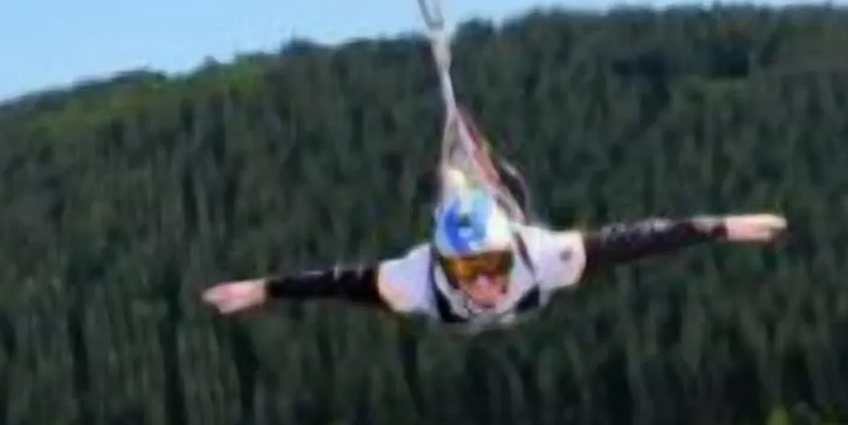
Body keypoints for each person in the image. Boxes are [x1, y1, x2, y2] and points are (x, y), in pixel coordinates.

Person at [200, 162, 788, 332]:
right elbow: (338, 283)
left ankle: (480, 186)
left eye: (492, 265)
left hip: (524, 261)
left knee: (511, 195)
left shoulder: (542, 255)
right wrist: (266, 290)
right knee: (464, 187)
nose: (485, 282)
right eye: (471, 271)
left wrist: (720, 226)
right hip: (454, 311)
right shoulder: (413, 280)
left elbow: (638, 240)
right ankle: (458, 184)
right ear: (448, 268)